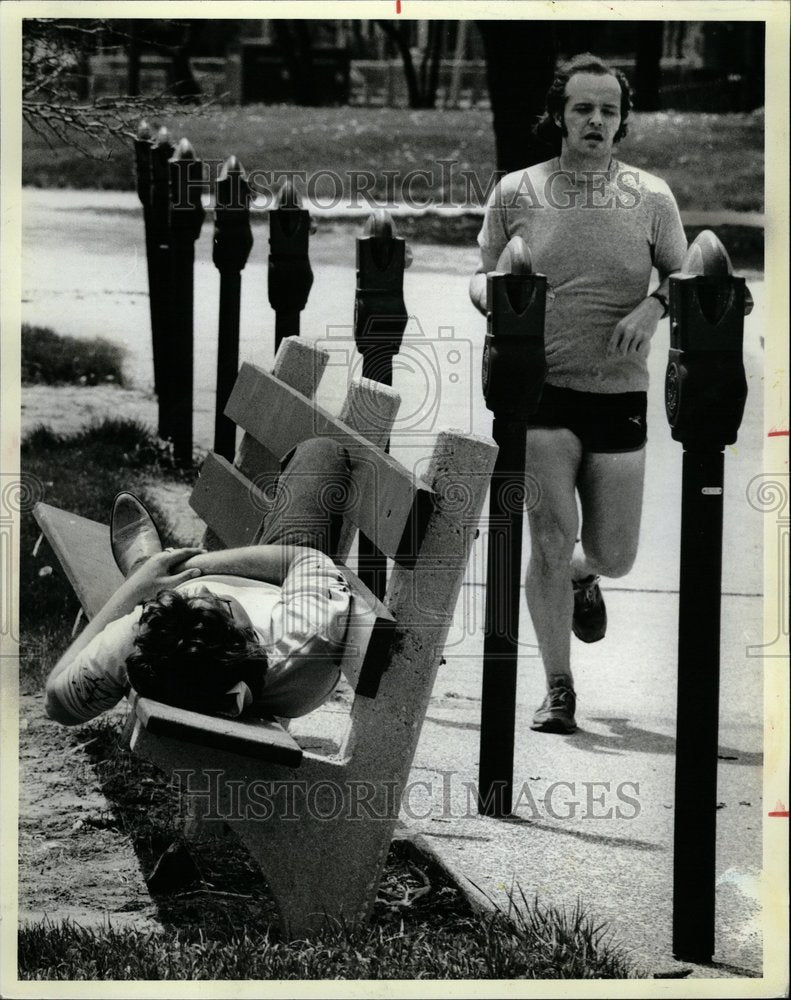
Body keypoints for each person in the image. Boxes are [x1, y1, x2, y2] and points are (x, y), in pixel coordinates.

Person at [470, 54, 687, 734]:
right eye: (581, 108)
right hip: (541, 392)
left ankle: (581, 576)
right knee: (548, 533)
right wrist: (499, 301)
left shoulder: (650, 197)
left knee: (614, 554)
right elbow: (482, 276)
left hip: (616, 391)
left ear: (621, 121)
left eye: (607, 110)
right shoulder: (516, 191)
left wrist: (652, 309)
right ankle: (557, 685)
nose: (594, 120)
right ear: (559, 115)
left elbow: (686, 281)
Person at [45, 438, 355, 726]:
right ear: (233, 702)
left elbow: (57, 703)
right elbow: (302, 558)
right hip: (279, 586)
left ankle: (143, 565)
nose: (202, 588)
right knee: (322, 452)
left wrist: (138, 587)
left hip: (176, 612)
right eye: (223, 608)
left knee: (158, 584)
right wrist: (195, 566)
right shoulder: (306, 634)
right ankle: (159, 568)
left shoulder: (150, 632)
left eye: (191, 596)